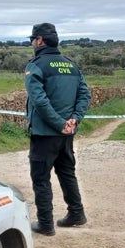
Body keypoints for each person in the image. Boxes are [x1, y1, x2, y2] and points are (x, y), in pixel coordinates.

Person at [25, 23, 91, 236]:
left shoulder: (36, 66)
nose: (32, 43)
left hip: (45, 133)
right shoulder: (71, 66)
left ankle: (45, 223)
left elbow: (39, 101)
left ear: (40, 41)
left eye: (32, 40)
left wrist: (58, 123)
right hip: (67, 135)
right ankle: (76, 213)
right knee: (67, 173)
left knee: (41, 178)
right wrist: (74, 120)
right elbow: (84, 95)